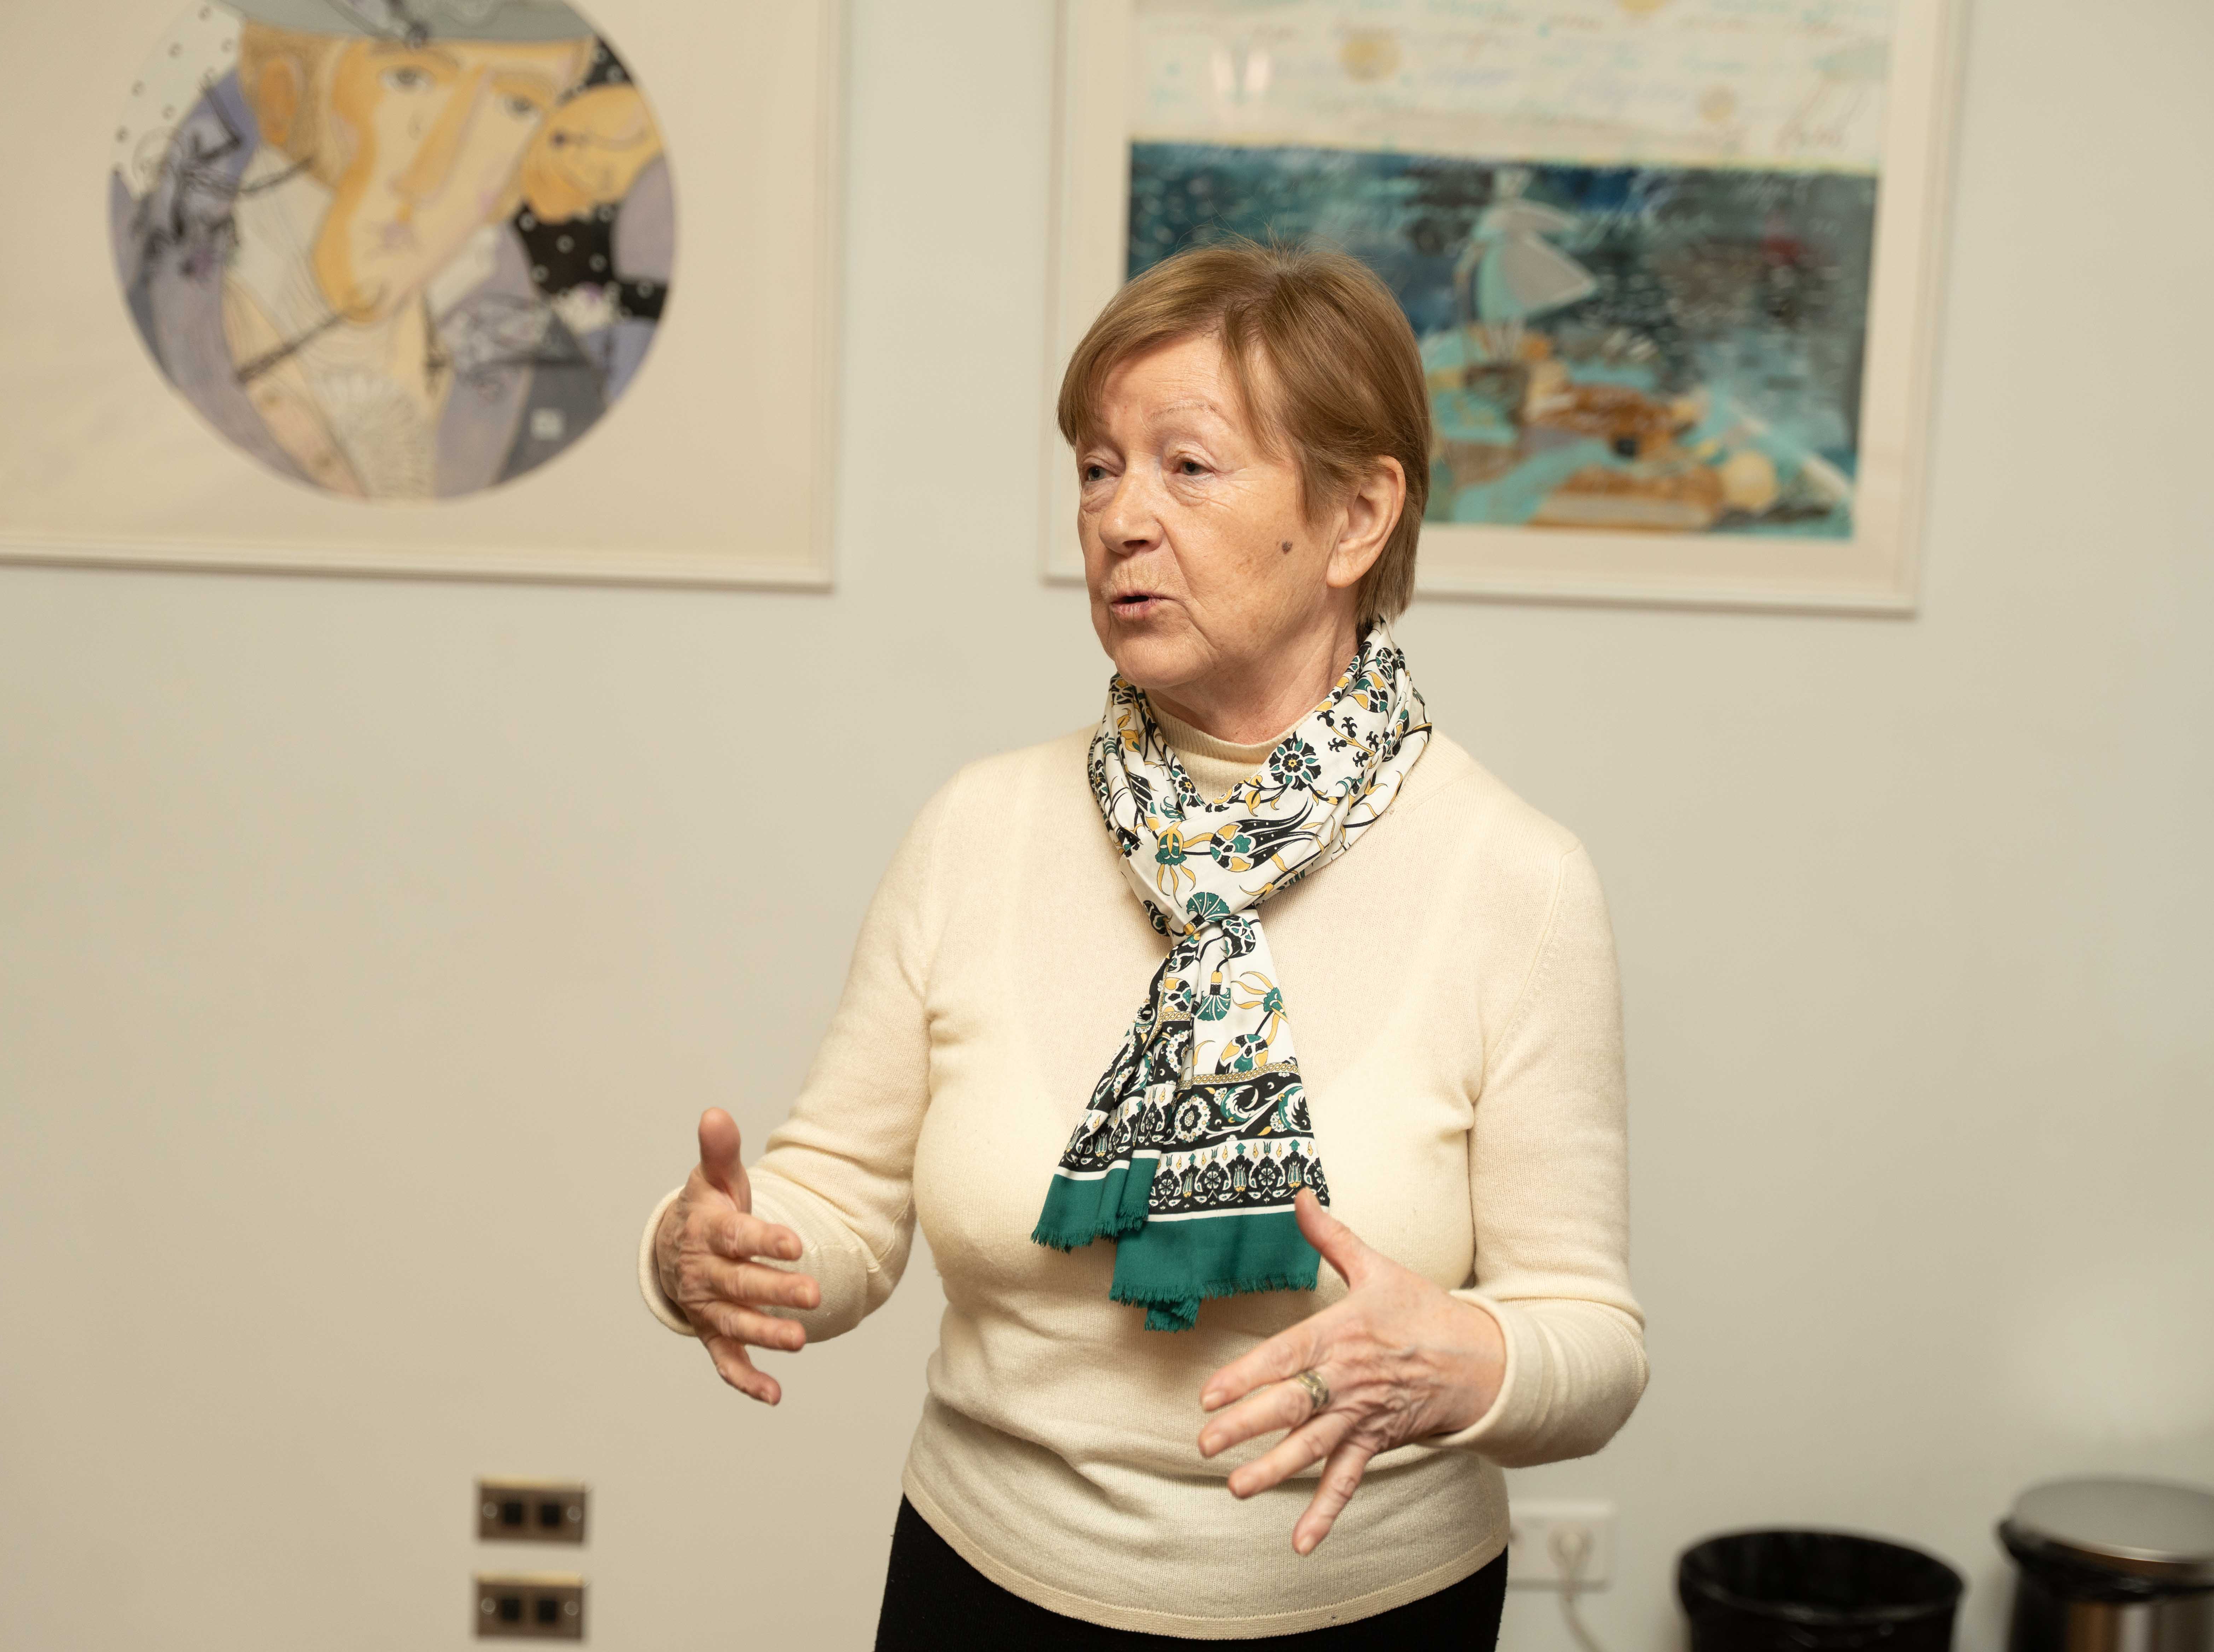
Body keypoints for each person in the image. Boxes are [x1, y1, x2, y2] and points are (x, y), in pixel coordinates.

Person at [638, 240, 1646, 1646]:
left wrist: (1467, 1357)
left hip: (1371, 1611)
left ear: (1357, 516)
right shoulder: (977, 828)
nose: (1119, 518)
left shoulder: (1514, 879)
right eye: (1098, 468)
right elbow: (839, 1200)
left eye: (1187, 465)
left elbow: (1588, 1340)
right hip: (980, 1590)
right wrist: (715, 1247)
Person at [109, 0, 670, 499]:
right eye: (408, 79)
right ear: (285, 97)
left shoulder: (553, 389)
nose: (435, 171)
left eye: (517, 106)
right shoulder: (131, 313)